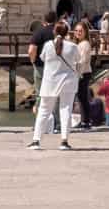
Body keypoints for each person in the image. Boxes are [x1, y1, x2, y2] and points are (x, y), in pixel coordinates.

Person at [31, 21, 83, 150]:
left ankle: (36, 140)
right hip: (68, 82)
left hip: (50, 81)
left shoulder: (48, 45)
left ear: (54, 32)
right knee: (66, 110)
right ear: (67, 33)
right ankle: (64, 141)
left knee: (44, 110)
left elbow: (42, 58)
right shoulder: (72, 46)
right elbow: (78, 60)